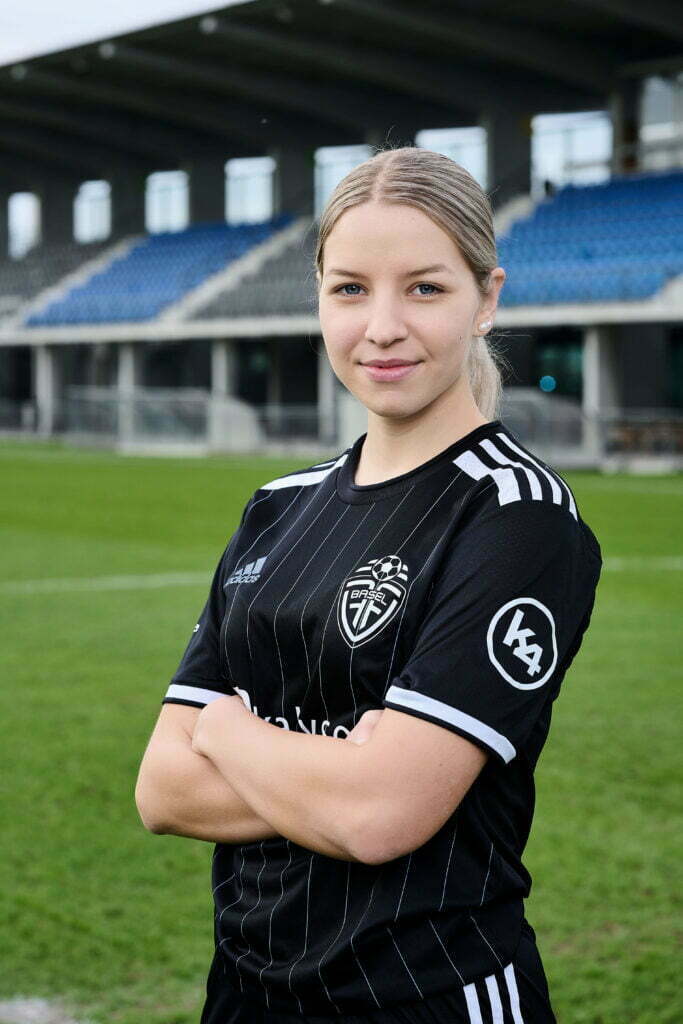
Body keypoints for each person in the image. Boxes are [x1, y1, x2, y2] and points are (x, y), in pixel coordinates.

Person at [135, 145, 602, 1024]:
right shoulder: (277, 508)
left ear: (486, 299)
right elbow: (163, 788)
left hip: (428, 993)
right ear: (318, 296)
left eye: (423, 288)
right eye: (349, 289)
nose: (382, 326)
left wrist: (228, 731)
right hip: (245, 991)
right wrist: (344, 768)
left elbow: (381, 814)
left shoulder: (518, 517)